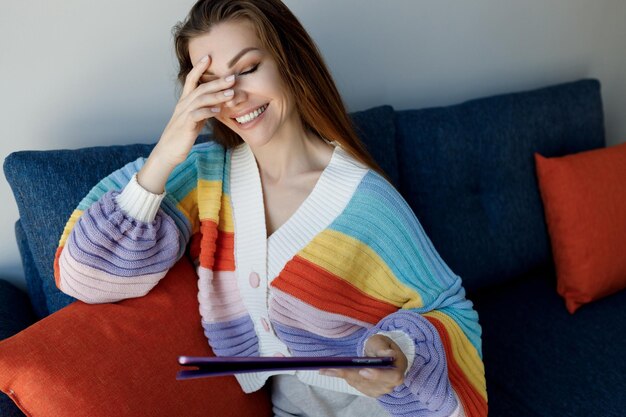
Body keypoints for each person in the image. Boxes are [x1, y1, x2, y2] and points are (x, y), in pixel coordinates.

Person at [54, 1, 487, 416]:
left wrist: (398, 352)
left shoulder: (366, 201)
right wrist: (166, 152)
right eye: (212, 84)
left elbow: (449, 309)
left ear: (289, 62)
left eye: (247, 69)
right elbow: (85, 279)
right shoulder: (203, 176)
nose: (235, 97)